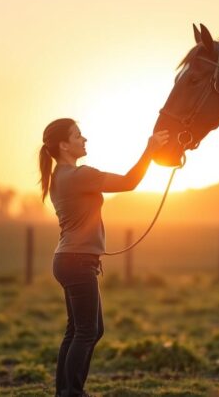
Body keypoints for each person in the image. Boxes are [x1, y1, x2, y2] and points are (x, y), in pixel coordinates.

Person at [38, 118, 169, 397]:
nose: (84, 139)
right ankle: (72, 392)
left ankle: (65, 390)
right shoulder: (79, 175)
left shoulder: (57, 178)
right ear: (63, 145)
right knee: (87, 331)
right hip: (77, 261)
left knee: (80, 330)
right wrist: (149, 150)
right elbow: (129, 182)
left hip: (68, 260)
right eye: (77, 136)